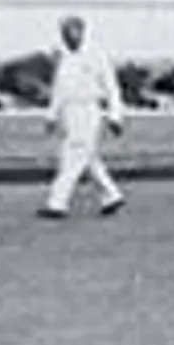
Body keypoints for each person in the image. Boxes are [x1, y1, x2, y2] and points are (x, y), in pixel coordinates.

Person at [38, 14, 127, 219]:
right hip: (70, 113)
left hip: (89, 110)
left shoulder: (96, 56)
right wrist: (52, 116)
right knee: (88, 158)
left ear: (82, 32)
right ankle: (112, 196)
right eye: (65, 33)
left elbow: (112, 89)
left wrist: (115, 117)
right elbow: (59, 90)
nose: (68, 37)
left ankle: (57, 203)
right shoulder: (65, 59)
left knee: (73, 156)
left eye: (72, 32)